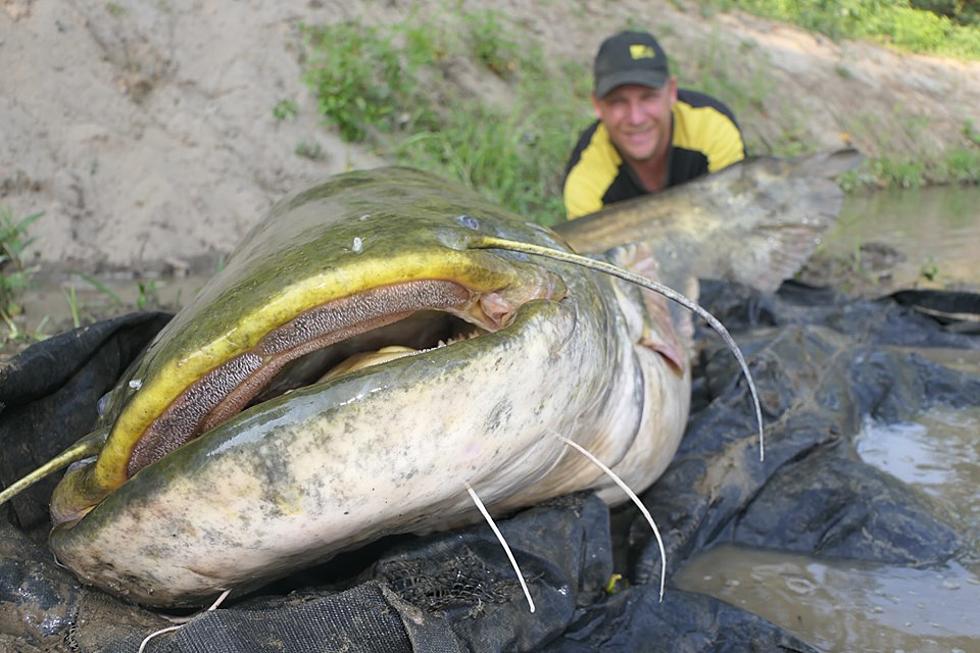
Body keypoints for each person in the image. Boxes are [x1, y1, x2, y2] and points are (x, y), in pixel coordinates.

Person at [563, 30, 746, 219]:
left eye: (648, 97)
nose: (636, 118)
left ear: (672, 92)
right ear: (597, 105)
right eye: (618, 101)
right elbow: (584, 247)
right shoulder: (584, 179)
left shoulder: (712, 126)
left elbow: (739, 214)